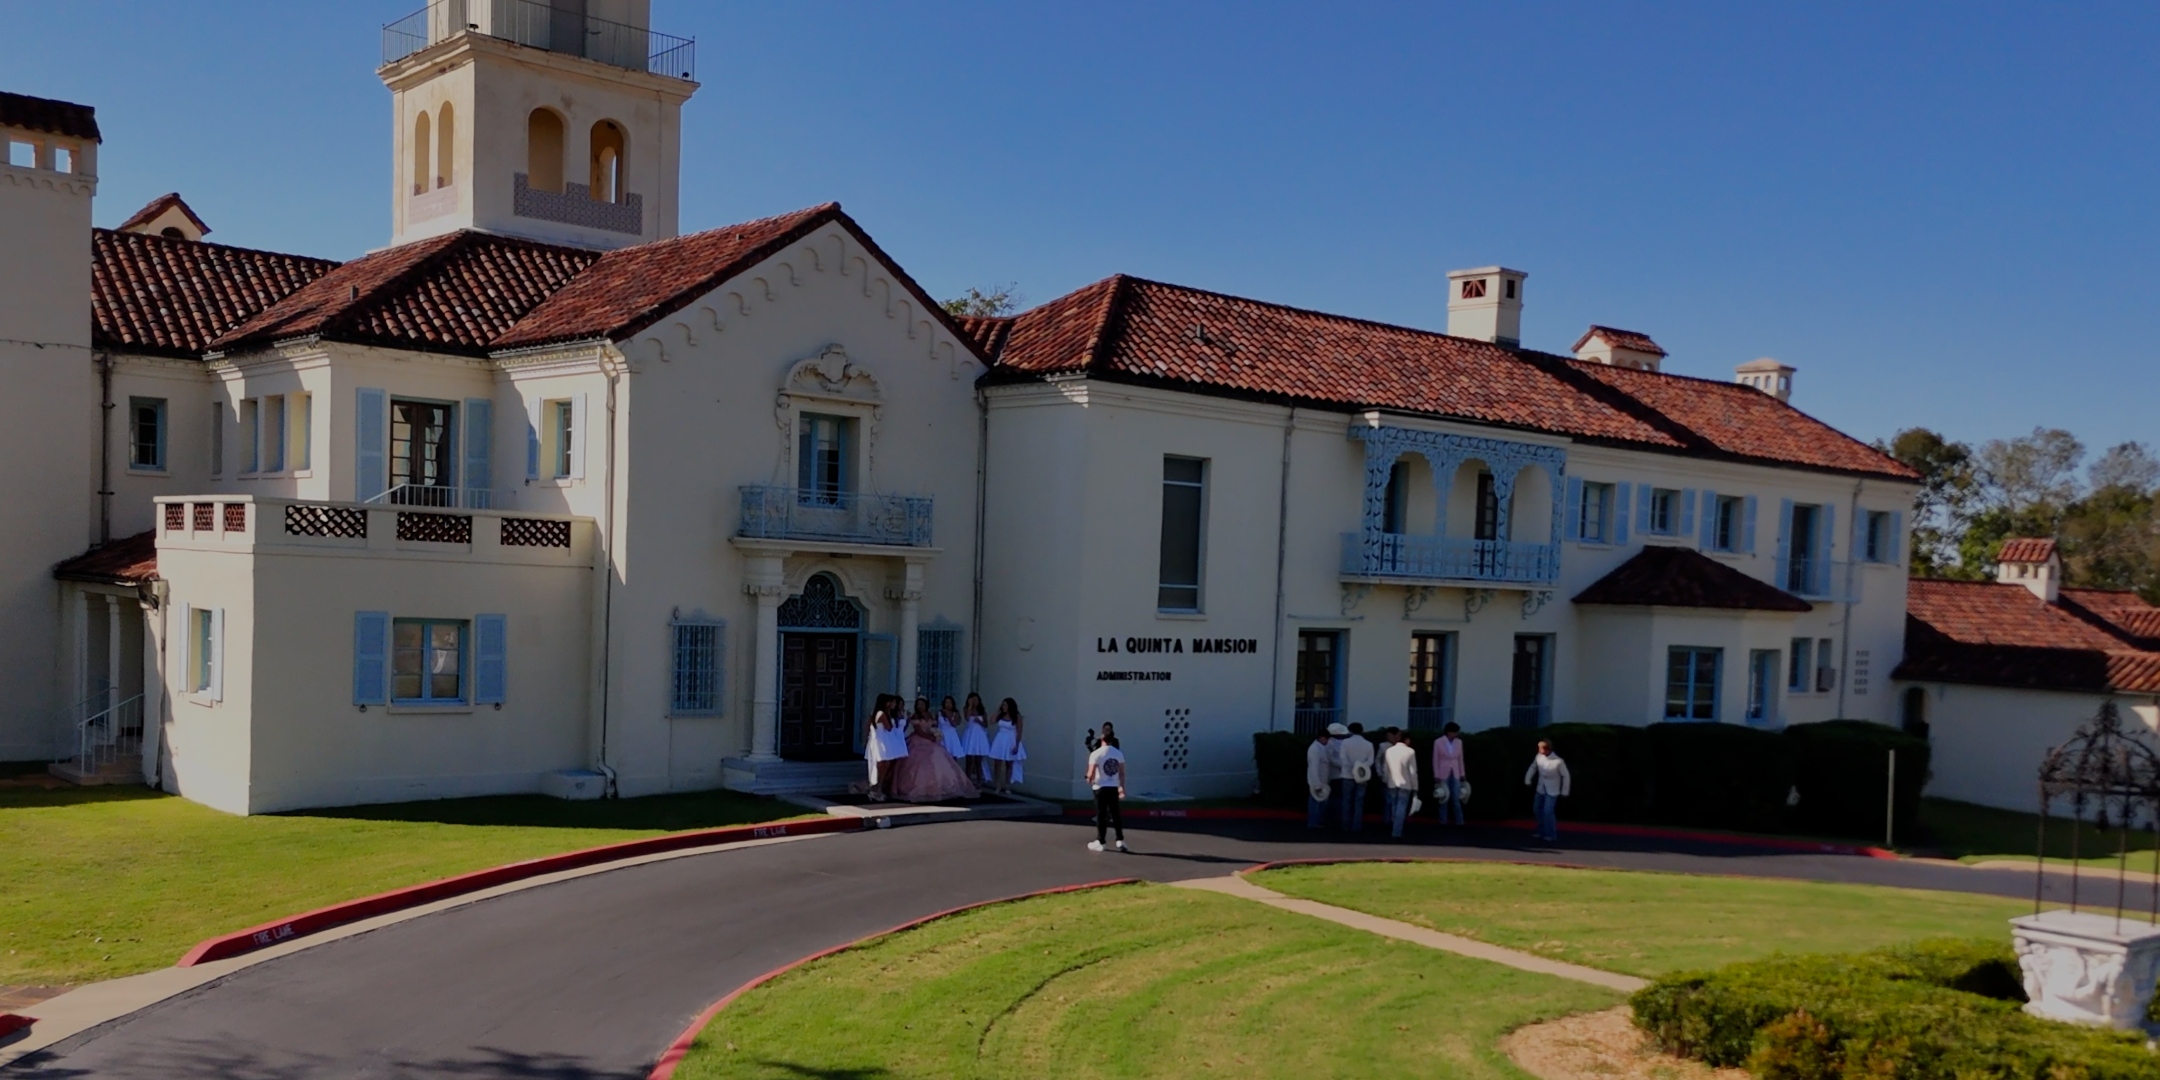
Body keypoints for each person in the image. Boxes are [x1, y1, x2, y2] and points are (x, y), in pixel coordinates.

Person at [891, 696, 980, 803]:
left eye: (922, 704)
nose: (920, 706)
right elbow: (919, 730)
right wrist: (930, 737)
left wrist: (935, 734)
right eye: (918, 704)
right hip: (918, 740)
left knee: (939, 758)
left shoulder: (930, 715)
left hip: (930, 739)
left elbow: (935, 727)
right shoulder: (915, 716)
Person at [1085, 734, 1128, 852]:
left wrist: (1088, 778)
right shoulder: (1118, 753)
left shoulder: (1096, 754)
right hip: (1113, 787)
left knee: (1101, 814)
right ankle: (1120, 840)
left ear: (1102, 739)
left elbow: (1091, 773)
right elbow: (1122, 773)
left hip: (1100, 787)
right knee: (1115, 814)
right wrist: (1121, 788)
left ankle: (1101, 841)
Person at [1524, 739, 1570, 842]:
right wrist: (1528, 779)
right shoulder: (1538, 757)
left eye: (1540, 748)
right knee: (1537, 809)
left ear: (1546, 749)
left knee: (1548, 811)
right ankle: (1541, 831)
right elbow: (1533, 767)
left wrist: (1564, 791)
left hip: (1552, 789)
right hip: (1541, 788)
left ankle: (1551, 834)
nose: (1539, 750)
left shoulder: (1558, 761)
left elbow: (1566, 776)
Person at [1380, 727, 1419, 840]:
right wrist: (1415, 786)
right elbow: (1413, 771)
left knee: (1394, 806)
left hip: (1391, 782)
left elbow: (1386, 769)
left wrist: (1386, 780)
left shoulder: (1389, 751)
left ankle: (1393, 827)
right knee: (1401, 808)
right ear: (1406, 740)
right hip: (1405, 783)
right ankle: (1397, 831)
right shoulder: (1410, 751)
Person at [1337, 721, 1375, 832]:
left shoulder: (1345, 742)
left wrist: (1353, 767)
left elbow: (1343, 758)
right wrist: (1360, 768)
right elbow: (1370, 761)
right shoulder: (1368, 744)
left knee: (1346, 800)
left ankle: (1345, 825)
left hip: (1347, 774)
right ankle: (1356, 826)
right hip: (1362, 776)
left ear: (1350, 731)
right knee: (1359, 801)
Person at [987, 697, 1027, 794]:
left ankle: (1007, 785)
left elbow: (1019, 731)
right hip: (1000, 739)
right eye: (1002, 704)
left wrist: (1016, 745)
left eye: (1005, 705)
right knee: (997, 763)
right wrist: (998, 711)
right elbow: (991, 721)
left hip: (1011, 740)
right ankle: (997, 785)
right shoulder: (1001, 715)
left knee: (1009, 763)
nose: (1003, 706)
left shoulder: (1017, 716)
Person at [1432, 721, 1467, 825]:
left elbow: (1460, 758)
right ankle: (1443, 820)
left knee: (1456, 796)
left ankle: (1460, 821)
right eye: (1454, 732)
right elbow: (1435, 759)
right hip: (1443, 771)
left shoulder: (1459, 742)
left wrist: (1462, 773)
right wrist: (1436, 774)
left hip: (1455, 770)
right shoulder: (1438, 742)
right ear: (1449, 732)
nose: (1456, 734)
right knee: (1444, 796)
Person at [1305, 726, 1336, 829]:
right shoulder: (1314, 749)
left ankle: (1317, 821)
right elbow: (1314, 767)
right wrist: (1316, 783)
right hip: (1317, 780)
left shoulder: (1321, 747)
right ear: (1321, 737)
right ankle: (1313, 822)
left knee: (1321, 801)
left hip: (1323, 779)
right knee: (1315, 801)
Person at [960, 692, 992, 784]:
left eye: (976, 700)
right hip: (970, 735)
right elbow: (966, 718)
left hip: (979, 735)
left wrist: (979, 721)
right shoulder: (966, 709)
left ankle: (979, 782)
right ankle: (967, 781)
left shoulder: (982, 711)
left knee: (978, 760)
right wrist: (970, 706)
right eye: (973, 700)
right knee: (969, 760)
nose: (975, 701)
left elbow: (986, 724)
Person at [937, 696, 967, 762]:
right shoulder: (940, 713)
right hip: (942, 735)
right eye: (946, 702)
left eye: (950, 703)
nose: (948, 704)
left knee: (953, 756)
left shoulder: (956, 713)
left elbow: (954, 724)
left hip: (952, 735)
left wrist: (948, 715)